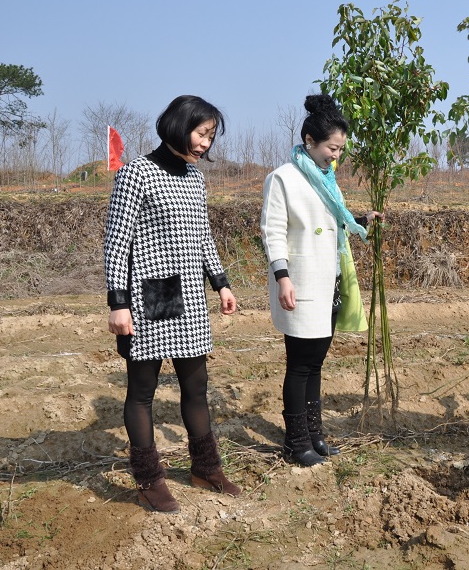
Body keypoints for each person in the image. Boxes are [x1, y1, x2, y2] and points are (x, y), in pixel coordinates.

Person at [104, 95, 241, 513]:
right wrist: (117, 302)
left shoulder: (195, 178)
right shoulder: (137, 174)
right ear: (180, 125)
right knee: (142, 392)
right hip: (150, 296)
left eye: (211, 137)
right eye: (202, 133)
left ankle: (206, 468)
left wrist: (221, 283)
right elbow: (116, 241)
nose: (205, 143)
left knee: (196, 387)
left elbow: (202, 236)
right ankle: (149, 480)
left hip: (191, 296)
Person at [260, 94, 382, 467]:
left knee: (315, 364)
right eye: (332, 147)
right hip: (298, 283)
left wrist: (360, 219)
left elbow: (334, 222)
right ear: (310, 142)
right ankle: (296, 443)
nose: (336, 156)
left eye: (341, 149)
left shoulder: (327, 181)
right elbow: (273, 231)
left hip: (327, 282)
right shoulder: (283, 178)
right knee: (299, 365)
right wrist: (282, 277)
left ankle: (315, 435)